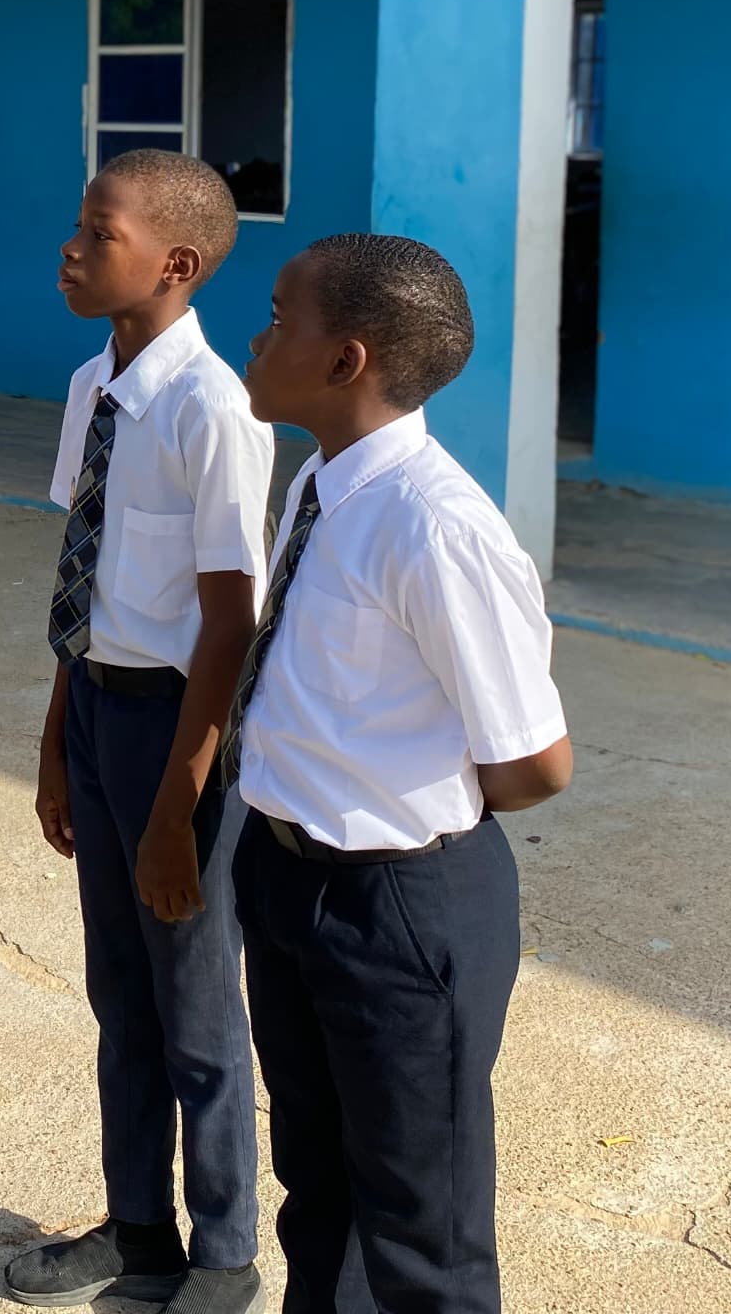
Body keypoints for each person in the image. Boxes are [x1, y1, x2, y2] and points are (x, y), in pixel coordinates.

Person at [229, 235, 574, 1314]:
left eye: (282, 315)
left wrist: (395, 812)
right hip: (288, 880)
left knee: (419, 1226)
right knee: (316, 1186)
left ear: (347, 360)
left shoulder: (435, 527)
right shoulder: (322, 483)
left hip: (399, 907)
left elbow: (531, 761)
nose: (257, 333)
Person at [4, 150, 273, 1314]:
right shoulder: (91, 386)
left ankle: (225, 1258)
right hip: (102, 715)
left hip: (181, 737)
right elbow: (88, 575)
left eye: (95, 232)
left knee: (198, 1011)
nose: (69, 247)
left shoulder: (213, 408)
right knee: (122, 997)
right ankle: (138, 1231)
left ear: (173, 263)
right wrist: (58, 739)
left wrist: (176, 806)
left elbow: (229, 624)